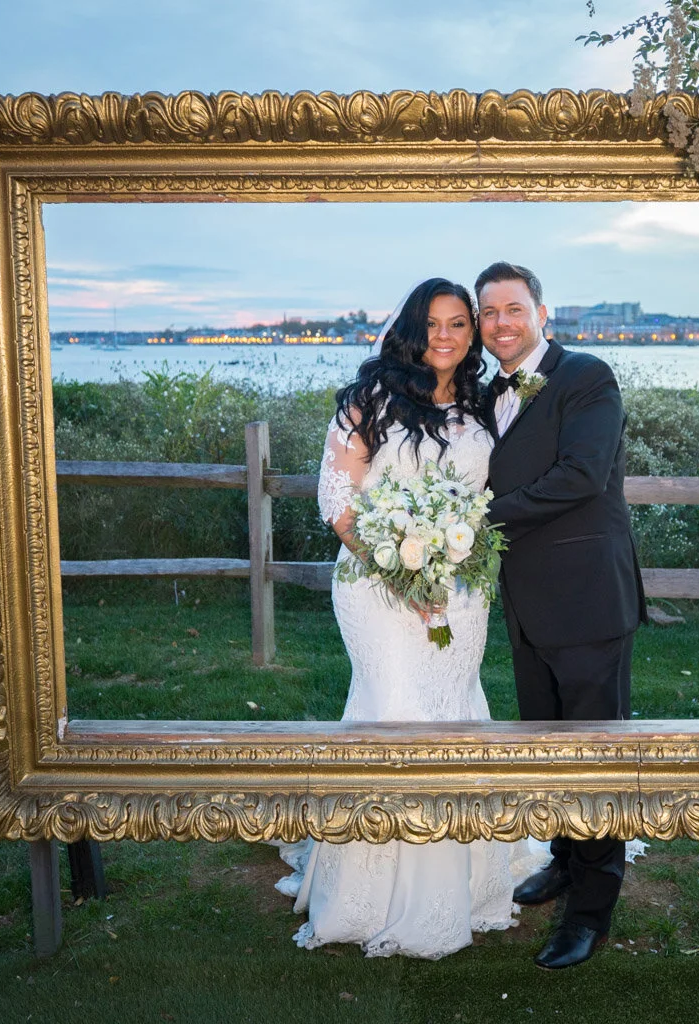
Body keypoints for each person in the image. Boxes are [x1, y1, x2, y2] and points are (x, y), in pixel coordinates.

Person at [275, 276, 545, 959]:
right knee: (392, 710)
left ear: (473, 333)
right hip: (376, 587)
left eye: (458, 323)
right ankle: (368, 890)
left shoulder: (484, 403)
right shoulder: (369, 400)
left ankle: (464, 880)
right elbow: (337, 501)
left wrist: (448, 562)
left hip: (461, 592)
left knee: (454, 714)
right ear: (409, 329)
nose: (444, 336)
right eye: (432, 324)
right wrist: (400, 568)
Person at [476, 260, 647, 970]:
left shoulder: (586, 376)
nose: (500, 323)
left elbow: (582, 474)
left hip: (586, 600)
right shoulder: (486, 390)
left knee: (594, 756)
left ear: (541, 314)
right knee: (548, 746)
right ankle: (563, 859)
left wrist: (480, 517)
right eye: (489, 312)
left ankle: (590, 913)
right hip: (526, 604)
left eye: (513, 308)